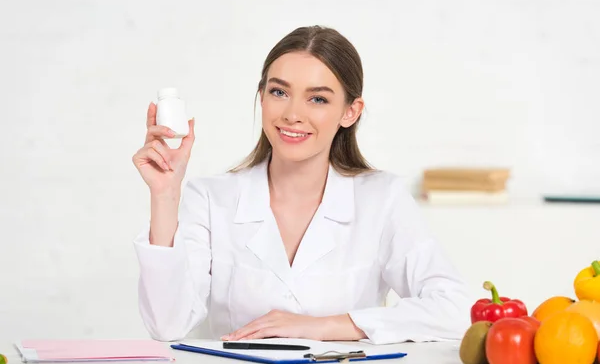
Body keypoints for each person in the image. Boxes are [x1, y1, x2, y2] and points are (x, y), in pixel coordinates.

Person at [131, 25, 472, 345]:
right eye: (279, 92)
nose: (293, 114)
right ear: (261, 96)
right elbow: (167, 325)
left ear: (350, 112)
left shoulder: (382, 198)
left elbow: (457, 310)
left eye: (318, 99)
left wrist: (323, 327)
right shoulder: (210, 198)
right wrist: (165, 195)